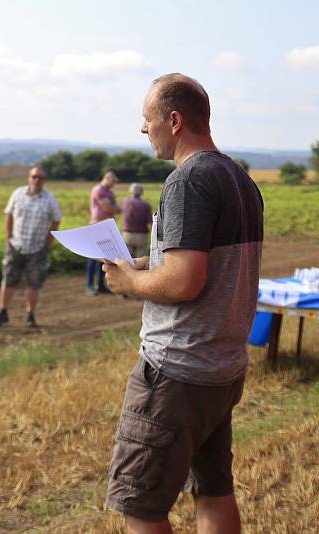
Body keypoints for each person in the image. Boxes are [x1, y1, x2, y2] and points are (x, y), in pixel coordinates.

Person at [102, 73, 263, 533]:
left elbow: (185, 283)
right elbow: (202, 264)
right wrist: (145, 261)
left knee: (142, 506)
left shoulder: (187, 182)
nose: (143, 130)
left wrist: (131, 283)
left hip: (177, 371)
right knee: (214, 491)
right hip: (222, 368)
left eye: (147, 120)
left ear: (174, 120)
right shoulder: (239, 180)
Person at [0, 166, 61, 328]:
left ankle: (30, 315)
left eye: (40, 178)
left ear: (44, 181)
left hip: (38, 247)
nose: (36, 180)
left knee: (34, 283)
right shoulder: (17, 194)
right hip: (16, 244)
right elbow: (8, 215)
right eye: (34, 177)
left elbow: (56, 221)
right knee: (8, 279)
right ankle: (3, 312)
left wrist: (48, 243)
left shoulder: (50, 199)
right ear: (29, 178)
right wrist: (8, 236)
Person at [85, 171, 121, 296]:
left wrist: (117, 209)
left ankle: (100, 285)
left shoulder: (109, 192)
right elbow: (108, 208)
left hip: (105, 226)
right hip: (97, 225)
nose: (114, 184)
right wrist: (120, 209)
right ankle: (89, 285)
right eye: (113, 181)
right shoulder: (99, 190)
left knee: (104, 257)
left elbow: (113, 207)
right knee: (93, 256)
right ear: (107, 179)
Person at [121, 183, 153, 259]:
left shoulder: (125, 202)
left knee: (128, 261)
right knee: (141, 261)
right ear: (142, 192)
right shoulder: (146, 205)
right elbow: (150, 222)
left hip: (128, 234)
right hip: (142, 236)